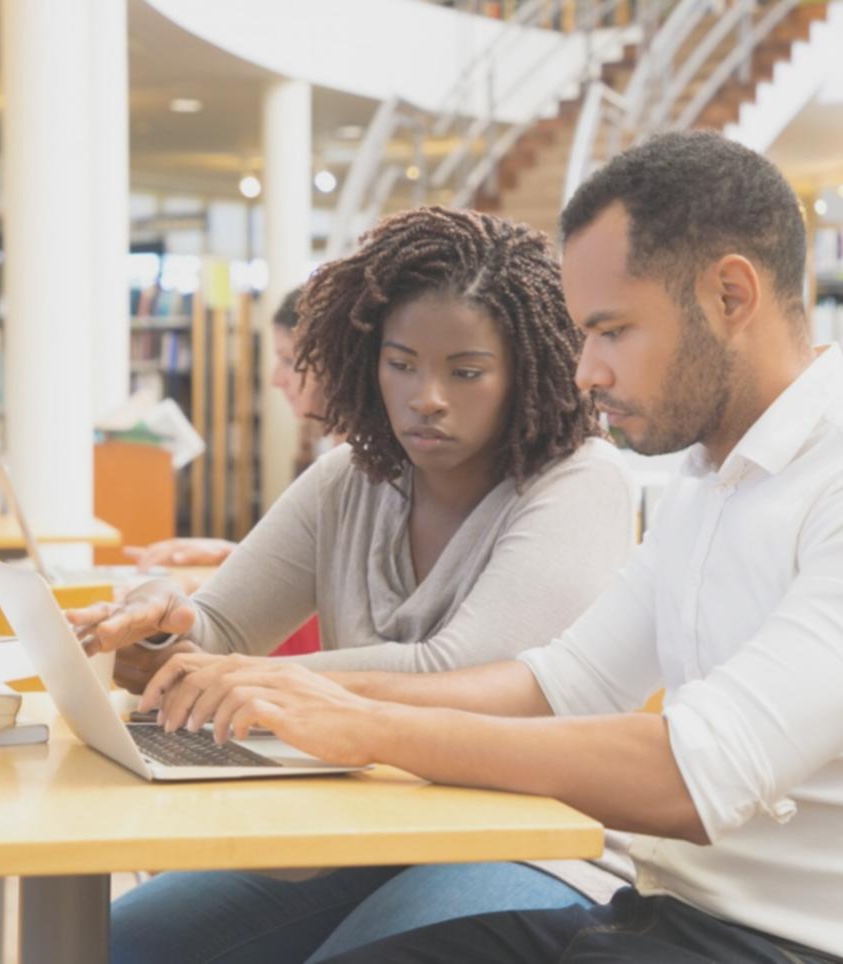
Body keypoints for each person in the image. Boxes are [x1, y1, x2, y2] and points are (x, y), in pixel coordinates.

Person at [138, 131, 843, 964]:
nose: (585, 370)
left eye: (611, 330)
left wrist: (365, 722)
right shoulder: (712, 480)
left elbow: (691, 776)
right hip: (664, 920)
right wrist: (297, 690)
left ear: (731, 297)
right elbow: (560, 686)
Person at [71, 206, 640, 963]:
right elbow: (220, 629)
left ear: (528, 371)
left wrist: (237, 677)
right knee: (110, 945)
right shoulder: (347, 477)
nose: (426, 395)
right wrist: (160, 625)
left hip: (534, 838)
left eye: (465, 372)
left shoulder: (581, 483)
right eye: (401, 363)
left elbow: (461, 672)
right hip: (365, 820)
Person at [126, 286, 326, 573]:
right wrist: (229, 556)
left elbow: (325, 593)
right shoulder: (332, 457)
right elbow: (312, 575)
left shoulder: (356, 471)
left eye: (288, 360)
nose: (275, 379)